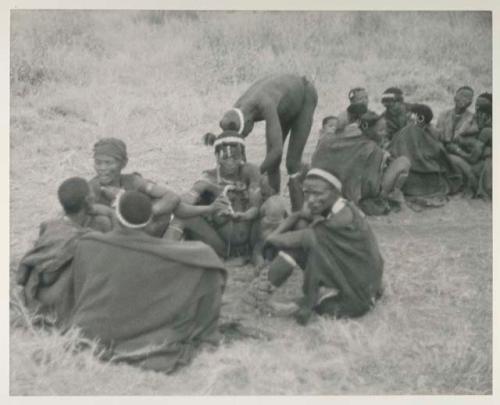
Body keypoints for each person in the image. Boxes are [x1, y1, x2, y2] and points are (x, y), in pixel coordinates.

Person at [68, 191, 227, 374]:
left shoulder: (89, 244)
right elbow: (209, 261)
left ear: (117, 217)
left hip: (95, 332)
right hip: (152, 338)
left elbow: (80, 291)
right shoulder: (189, 255)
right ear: (150, 220)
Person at [245, 168, 384, 325]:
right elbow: (298, 215)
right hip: (361, 280)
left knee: (296, 248)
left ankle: (267, 292)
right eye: (307, 193)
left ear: (335, 192)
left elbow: (301, 238)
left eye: (317, 193)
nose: (311, 200)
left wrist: (271, 239)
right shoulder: (337, 206)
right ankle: (265, 290)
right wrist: (279, 231)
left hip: (359, 294)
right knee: (301, 225)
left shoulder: (341, 218)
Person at [205, 73, 318, 211]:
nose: (244, 137)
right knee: (272, 165)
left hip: (304, 96)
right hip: (284, 106)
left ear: (247, 123)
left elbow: (276, 151)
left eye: (243, 135)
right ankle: (274, 207)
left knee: (292, 164)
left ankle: (299, 211)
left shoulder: (265, 103)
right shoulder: (236, 111)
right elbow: (232, 141)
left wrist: (254, 174)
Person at [16, 177, 113, 326]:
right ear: (88, 200)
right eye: (92, 194)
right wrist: (111, 213)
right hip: (60, 301)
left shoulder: (50, 225)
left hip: (35, 294)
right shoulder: (86, 239)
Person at [89, 137, 223, 237]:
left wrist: (144, 213)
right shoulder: (91, 190)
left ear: (123, 163)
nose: (102, 168)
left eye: (108, 163)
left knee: (176, 209)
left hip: (144, 237)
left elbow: (172, 197)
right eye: (98, 163)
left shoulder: (133, 181)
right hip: (116, 246)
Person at [165, 130, 263, 261]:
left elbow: (256, 207)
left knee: (274, 205)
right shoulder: (207, 179)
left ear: (242, 156)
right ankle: (162, 257)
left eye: (235, 157)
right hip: (223, 246)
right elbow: (179, 209)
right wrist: (209, 208)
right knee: (181, 219)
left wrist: (244, 215)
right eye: (225, 157)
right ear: (217, 156)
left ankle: (259, 254)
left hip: (251, 243)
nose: (230, 162)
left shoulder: (250, 171)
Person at [311, 111, 411, 215]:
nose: (384, 133)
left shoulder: (347, 134)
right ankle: (387, 199)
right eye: (380, 130)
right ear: (368, 128)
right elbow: (371, 186)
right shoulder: (372, 148)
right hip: (358, 195)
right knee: (403, 162)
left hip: (330, 188)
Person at [388, 104, 459, 208]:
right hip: (433, 185)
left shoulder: (405, 131)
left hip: (409, 185)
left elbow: (392, 153)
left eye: (410, 114)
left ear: (418, 118)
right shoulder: (430, 134)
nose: (406, 116)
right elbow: (440, 154)